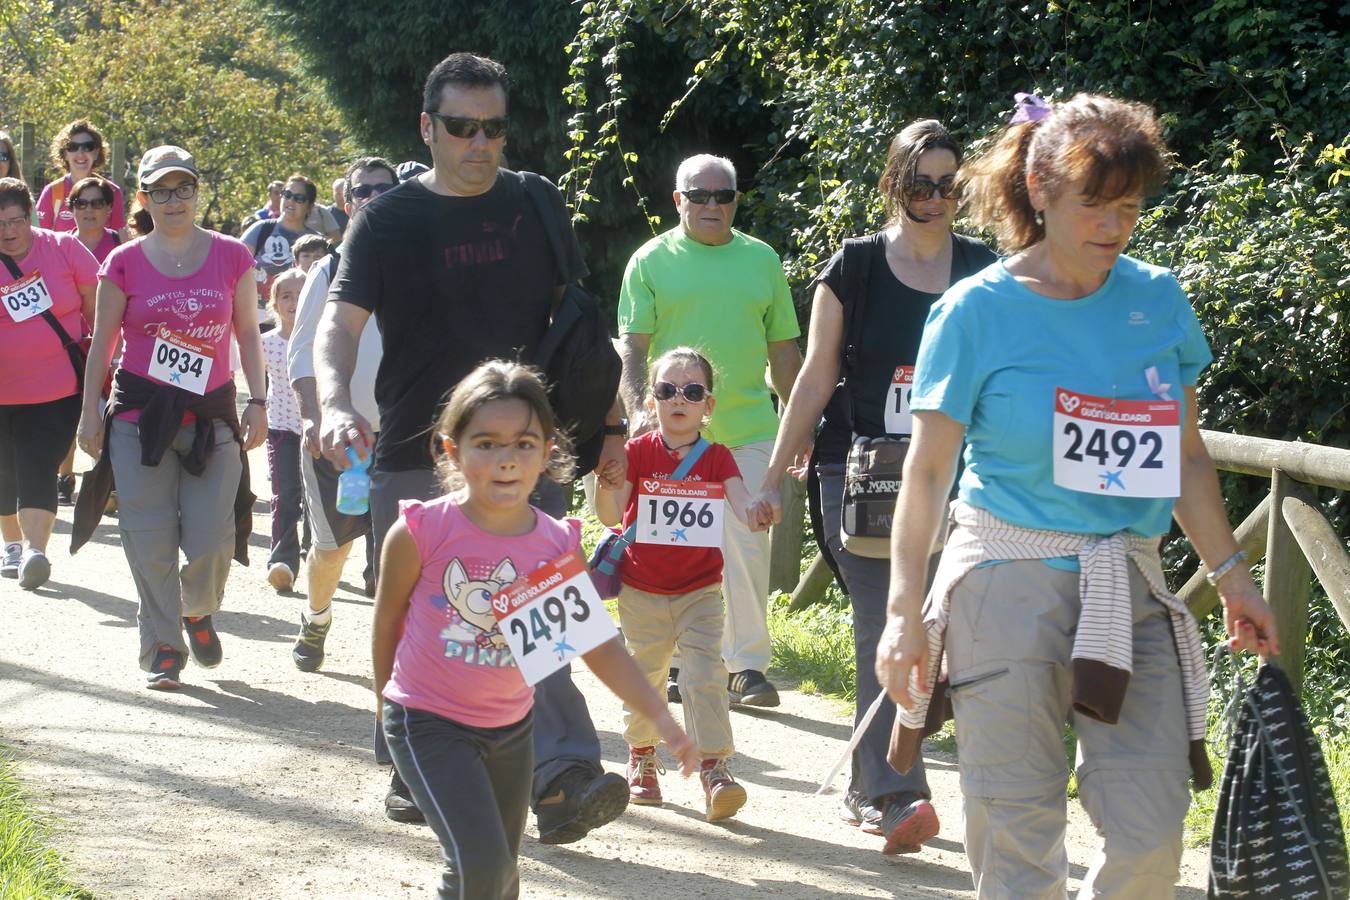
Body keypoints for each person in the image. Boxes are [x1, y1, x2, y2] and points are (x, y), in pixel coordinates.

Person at [874, 93, 1280, 897]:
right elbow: (926, 473)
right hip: (1004, 582)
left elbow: (1186, 459)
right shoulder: (975, 310)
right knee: (1019, 834)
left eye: (1128, 207)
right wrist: (902, 612)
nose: (1113, 225)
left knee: (1152, 836)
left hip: (1127, 586)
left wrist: (1234, 578)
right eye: (1093, 204)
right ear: (1039, 187)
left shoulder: (1157, 298)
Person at [315, 52, 631, 841]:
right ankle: (406, 753)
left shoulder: (535, 202)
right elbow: (339, 323)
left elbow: (580, 325)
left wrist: (615, 427)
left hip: (528, 451)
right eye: (461, 127)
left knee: (540, 610)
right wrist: (327, 399)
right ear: (428, 128)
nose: (479, 143)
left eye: (492, 128)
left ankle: (561, 775)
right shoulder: (386, 220)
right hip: (418, 455)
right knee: (427, 614)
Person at [752, 120, 995, 853]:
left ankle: (906, 783)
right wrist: (773, 473)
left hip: (961, 477)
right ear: (894, 184)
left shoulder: (984, 269)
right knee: (881, 622)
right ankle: (894, 792)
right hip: (856, 472)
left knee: (962, 631)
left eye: (950, 185)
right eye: (921, 183)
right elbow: (816, 375)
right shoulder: (853, 266)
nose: (935, 198)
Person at [375, 359, 696, 899]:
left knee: (502, 878)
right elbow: (387, 625)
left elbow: (590, 642)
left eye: (524, 444)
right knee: (478, 871)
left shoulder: (552, 543)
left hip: (511, 732)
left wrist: (658, 712)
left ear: (549, 454)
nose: (506, 460)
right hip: (427, 723)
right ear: (452, 450)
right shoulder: (420, 532)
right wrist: (385, 708)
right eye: (487, 443)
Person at [73, 145, 267, 690]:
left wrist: (258, 400)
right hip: (139, 416)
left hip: (211, 416)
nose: (174, 199)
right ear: (143, 198)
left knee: (212, 538)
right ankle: (162, 644)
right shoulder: (124, 262)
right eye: (161, 190)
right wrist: (90, 413)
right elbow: (101, 345)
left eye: (183, 188)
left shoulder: (232, 255)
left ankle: (198, 609)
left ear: (197, 191)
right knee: (148, 535)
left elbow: (248, 333)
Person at [618, 153, 803, 708]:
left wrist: (800, 424)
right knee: (673, 541)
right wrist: (636, 411)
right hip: (673, 430)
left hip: (746, 426)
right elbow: (633, 347)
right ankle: (677, 663)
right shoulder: (649, 261)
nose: (711, 205)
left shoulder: (762, 260)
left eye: (723, 196)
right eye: (698, 195)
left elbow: (785, 349)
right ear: (678, 201)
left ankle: (745, 666)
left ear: (736, 202)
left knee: (745, 543)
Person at [595, 347, 764, 821]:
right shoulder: (636, 452)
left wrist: (759, 509)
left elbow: (743, 504)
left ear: (708, 405)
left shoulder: (718, 458)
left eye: (692, 391)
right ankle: (642, 755)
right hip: (642, 588)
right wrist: (606, 483)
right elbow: (610, 517)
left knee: (705, 674)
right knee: (645, 674)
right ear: (652, 401)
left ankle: (714, 768)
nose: (679, 399)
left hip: (700, 592)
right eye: (667, 390)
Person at [287, 157, 395, 674]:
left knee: (403, 553)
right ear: (346, 203)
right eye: (362, 191)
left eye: (384, 189)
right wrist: (313, 417)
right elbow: (302, 351)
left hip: (403, 435)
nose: (373, 197)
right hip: (342, 437)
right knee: (333, 550)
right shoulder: (327, 270)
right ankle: (316, 615)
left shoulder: (416, 266)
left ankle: (399, 661)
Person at [0, 178, 97, 588]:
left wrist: (104, 364)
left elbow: (101, 308)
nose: (8, 231)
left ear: (31, 216)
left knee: (39, 463)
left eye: (15, 220)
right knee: (5, 471)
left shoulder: (64, 249)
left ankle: (35, 552)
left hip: (59, 389)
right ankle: (12, 545)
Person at [261, 267, 307, 592]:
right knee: (286, 496)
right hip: (280, 430)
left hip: (318, 432)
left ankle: (316, 556)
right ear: (274, 303)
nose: (293, 301)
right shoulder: (265, 343)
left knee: (319, 501)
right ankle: (283, 562)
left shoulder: (324, 340)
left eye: (301, 294)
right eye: (286, 295)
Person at [35, 120, 127, 234]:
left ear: (96, 153)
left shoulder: (112, 192)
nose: (80, 153)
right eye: (73, 147)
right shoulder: (52, 192)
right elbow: (39, 240)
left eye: (88, 147)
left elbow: (119, 240)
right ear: (64, 154)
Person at [239, 174, 321, 301]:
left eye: (299, 198)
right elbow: (234, 267)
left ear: (310, 205)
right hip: (256, 314)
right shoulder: (261, 229)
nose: (290, 201)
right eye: (287, 194)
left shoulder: (317, 241)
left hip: (299, 315)